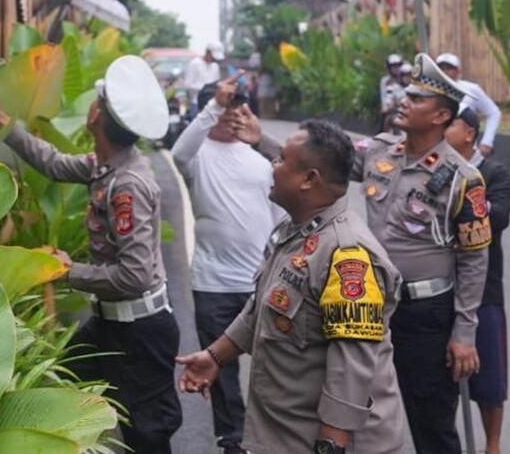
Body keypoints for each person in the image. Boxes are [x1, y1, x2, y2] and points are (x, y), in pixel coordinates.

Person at [230, 54, 491, 454]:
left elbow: (474, 260)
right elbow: (317, 164)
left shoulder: (463, 178)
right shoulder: (380, 151)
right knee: (364, 409)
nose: (405, 99)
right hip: (366, 306)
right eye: (407, 93)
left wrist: (464, 333)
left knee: (432, 420)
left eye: (418, 98)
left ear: (441, 116)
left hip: (425, 315)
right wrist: (262, 139)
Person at [177, 120, 407, 454]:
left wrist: (331, 448)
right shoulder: (297, 232)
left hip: (325, 443)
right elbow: (266, 306)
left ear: (309, 179)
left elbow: (351, 369)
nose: (273, 165)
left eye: (282, 159)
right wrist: (216, 356)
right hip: (285, 437)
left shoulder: (347, 255)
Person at [0, 55, 182, 453]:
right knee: (64, 383)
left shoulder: (127, 185)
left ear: (97, 116)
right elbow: (57, 164)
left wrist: (67, 270)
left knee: (146, 434)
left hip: (140, 333)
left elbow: (135, 277)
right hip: (109, 325)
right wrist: (4, 125)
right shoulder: (107, 165)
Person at [170, 76, 279, 454]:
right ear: (210, 110)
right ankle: (232, 441)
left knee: (274, 369)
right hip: (213, 284)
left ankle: (270, 437)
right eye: (225, 107)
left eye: (238, 107)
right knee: (222, 372)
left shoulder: (261, 162)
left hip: (261, 285)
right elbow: (178, 153)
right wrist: (213, 106)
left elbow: (283, 216)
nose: (233, 115)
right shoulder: (196, 158)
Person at [446, 108, 510, 454]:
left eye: (451, 125)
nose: (444, 131)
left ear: (469, 133)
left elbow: (499, 216)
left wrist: (469, 202)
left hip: (484, 292)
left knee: (488, 382)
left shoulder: (494, 173)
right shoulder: (436, 172)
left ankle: (493, 445)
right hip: (440, 290)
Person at [437, 53, 502, 157]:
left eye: (449, 68)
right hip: (436, 150)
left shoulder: (471, 90)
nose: (445, 72)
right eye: (441, 68)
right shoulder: (429, 91)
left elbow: (494, 113)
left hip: (466, 151)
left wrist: (487, 142)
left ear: (458, 71)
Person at [183, 43, 225, 113]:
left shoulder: (215, 66)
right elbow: (188, 84)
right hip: (197, 102)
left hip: (212, 104)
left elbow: (216, 83)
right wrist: (206, 89)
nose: (214, 59)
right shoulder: (195, 64)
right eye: (213, 57)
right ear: (207, 52)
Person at [380, 54, 404, 130]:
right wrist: (387, 108)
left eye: (398, 66)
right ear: (389, 68)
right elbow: (384, 97)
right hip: (391, 111)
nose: (396, 69)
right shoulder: (385, 81)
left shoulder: (405, 79)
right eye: (393, 66)